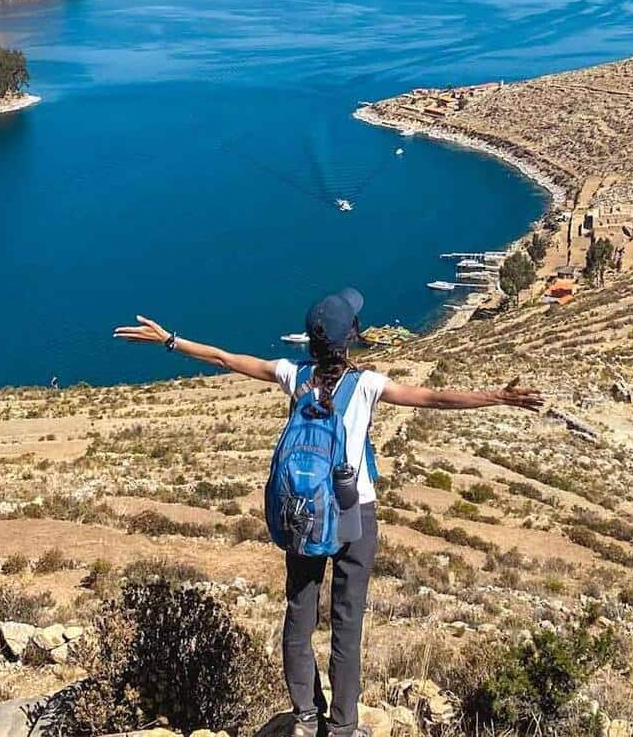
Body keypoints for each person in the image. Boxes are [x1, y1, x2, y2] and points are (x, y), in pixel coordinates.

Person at [115, 288, 544, 737]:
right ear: (349, 339)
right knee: (346, 621)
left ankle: (303, 715)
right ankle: (342, 727)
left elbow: (225, 358)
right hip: (353, 512)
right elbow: (434, 398)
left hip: (302, 510)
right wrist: (499, 397)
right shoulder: (368, 386)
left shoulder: (291, 375)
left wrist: (170, 340)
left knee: (300, 612)